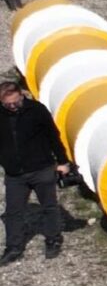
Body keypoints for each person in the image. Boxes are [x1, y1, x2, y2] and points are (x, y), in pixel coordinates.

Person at [0, 72, 70, 263]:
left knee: (49, 207)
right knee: (13, 211)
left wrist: (63, 162)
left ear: (21, 95)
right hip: (15, 174)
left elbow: (53, 137)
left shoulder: (37, 110)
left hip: (41, 168)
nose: (13, 107)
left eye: (16, 102)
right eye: (8, 105)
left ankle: (53, 239)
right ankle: (13, 247)